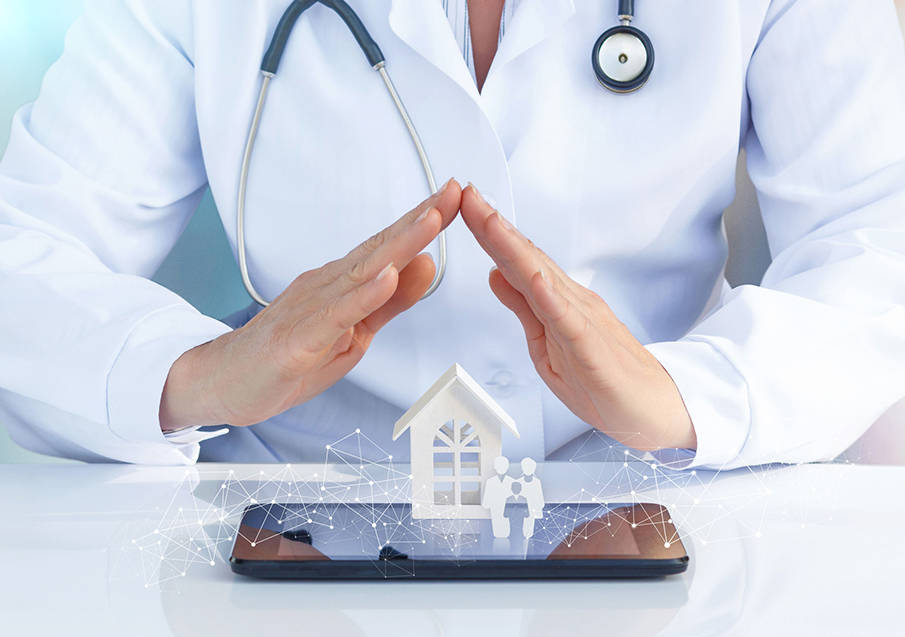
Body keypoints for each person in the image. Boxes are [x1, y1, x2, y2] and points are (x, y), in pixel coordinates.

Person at [1, 0, 904, 468]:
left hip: (649, 493)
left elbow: (878, 235)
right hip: (294, 514)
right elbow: (25, 251)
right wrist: (197, 375)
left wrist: (695, 395)